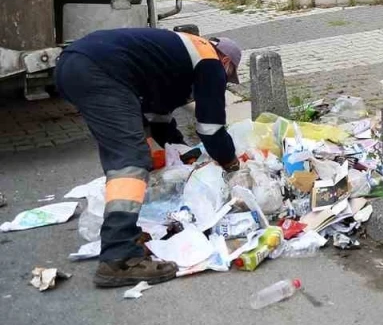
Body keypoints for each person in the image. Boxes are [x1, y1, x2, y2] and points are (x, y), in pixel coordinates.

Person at [54, 28, 244, 288]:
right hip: (100, 70)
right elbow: (210, 128)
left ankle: (126, 238)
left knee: (128, 150)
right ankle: (119, 257)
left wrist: (182, 154)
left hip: (73, 65)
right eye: (227, 77)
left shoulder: (176, 56)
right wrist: (230, 161)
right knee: (130, 160)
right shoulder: (210, 63)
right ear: (226, 63)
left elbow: (159, 119)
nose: (223, 81)